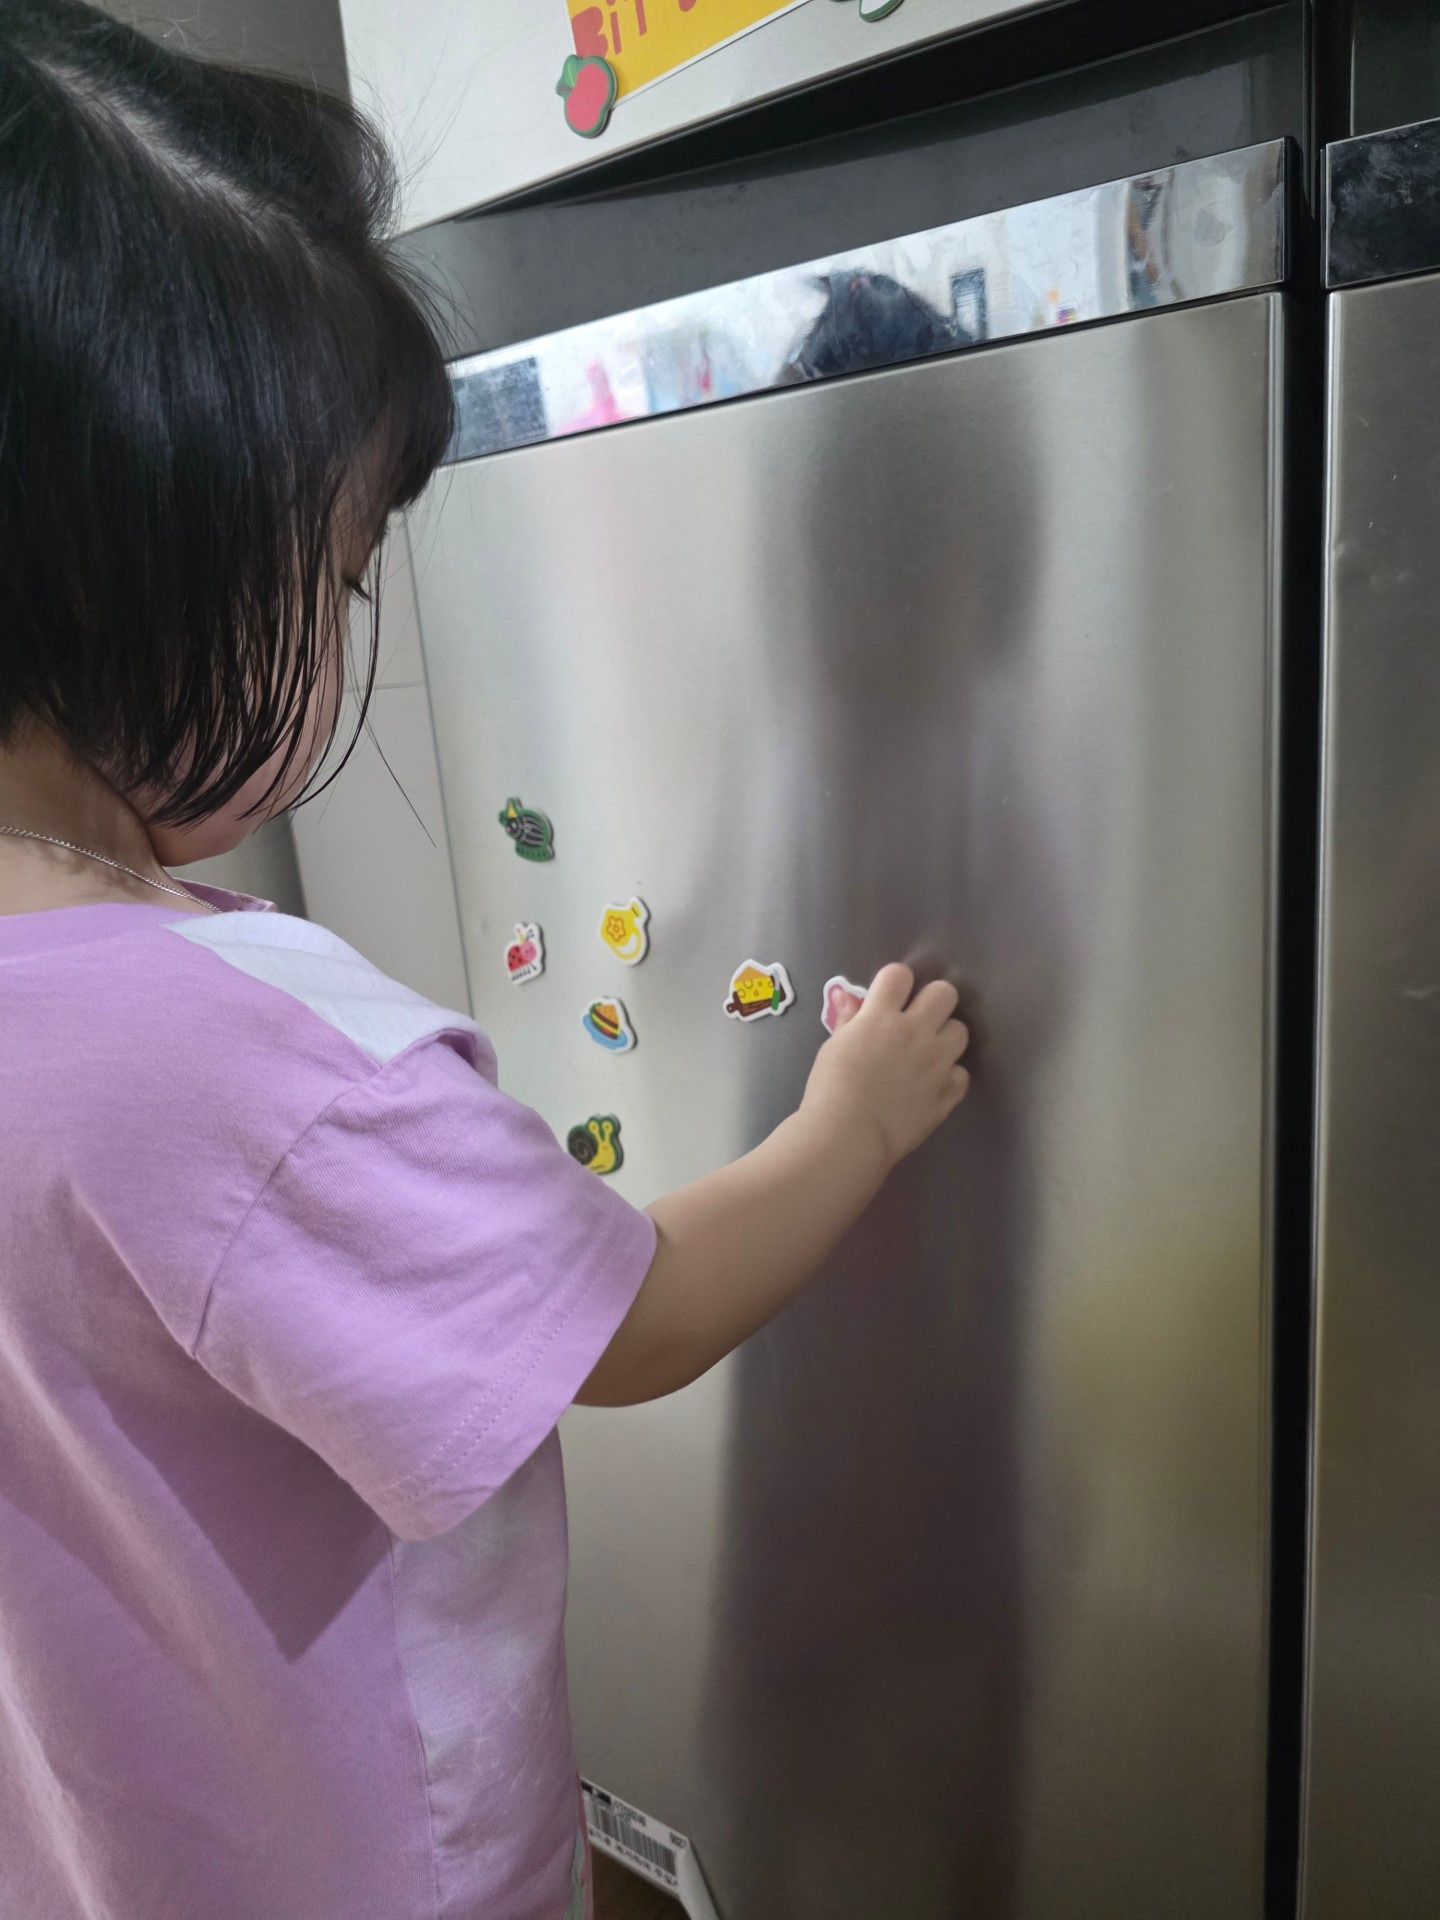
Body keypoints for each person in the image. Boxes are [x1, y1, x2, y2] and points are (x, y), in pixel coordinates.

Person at [0, 5, 971, 1917]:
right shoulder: (246, 1061)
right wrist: (852, 1121)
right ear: (152, 558)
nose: (345, 623)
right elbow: (632, 1320)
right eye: (341, 570)